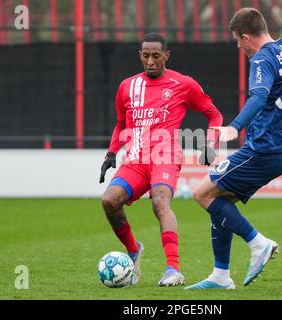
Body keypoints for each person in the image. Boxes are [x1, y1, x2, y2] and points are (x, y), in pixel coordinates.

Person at [185, 8, 282, 289]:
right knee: (221, 199)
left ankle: (258, 244)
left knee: (202, 193)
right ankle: (220, 276)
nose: (239, 48)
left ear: (246, 37)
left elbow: (258, 95)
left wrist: (235, 126)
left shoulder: (262, 59)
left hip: (263, 149)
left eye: (238, 42)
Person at [99, 33, 223, 287]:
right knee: (109, 201)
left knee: (160, 202)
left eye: (156, 56)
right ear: (140, 56)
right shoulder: (127, 86)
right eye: (146, 56)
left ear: (166, 55)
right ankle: (133, 251)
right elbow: (122, 123)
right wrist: (111, 152)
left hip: (165, 156)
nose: (151, 61)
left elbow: (214, 115)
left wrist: (211, 142)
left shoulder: (183, 84)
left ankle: (173, 269)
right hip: (135, 158)